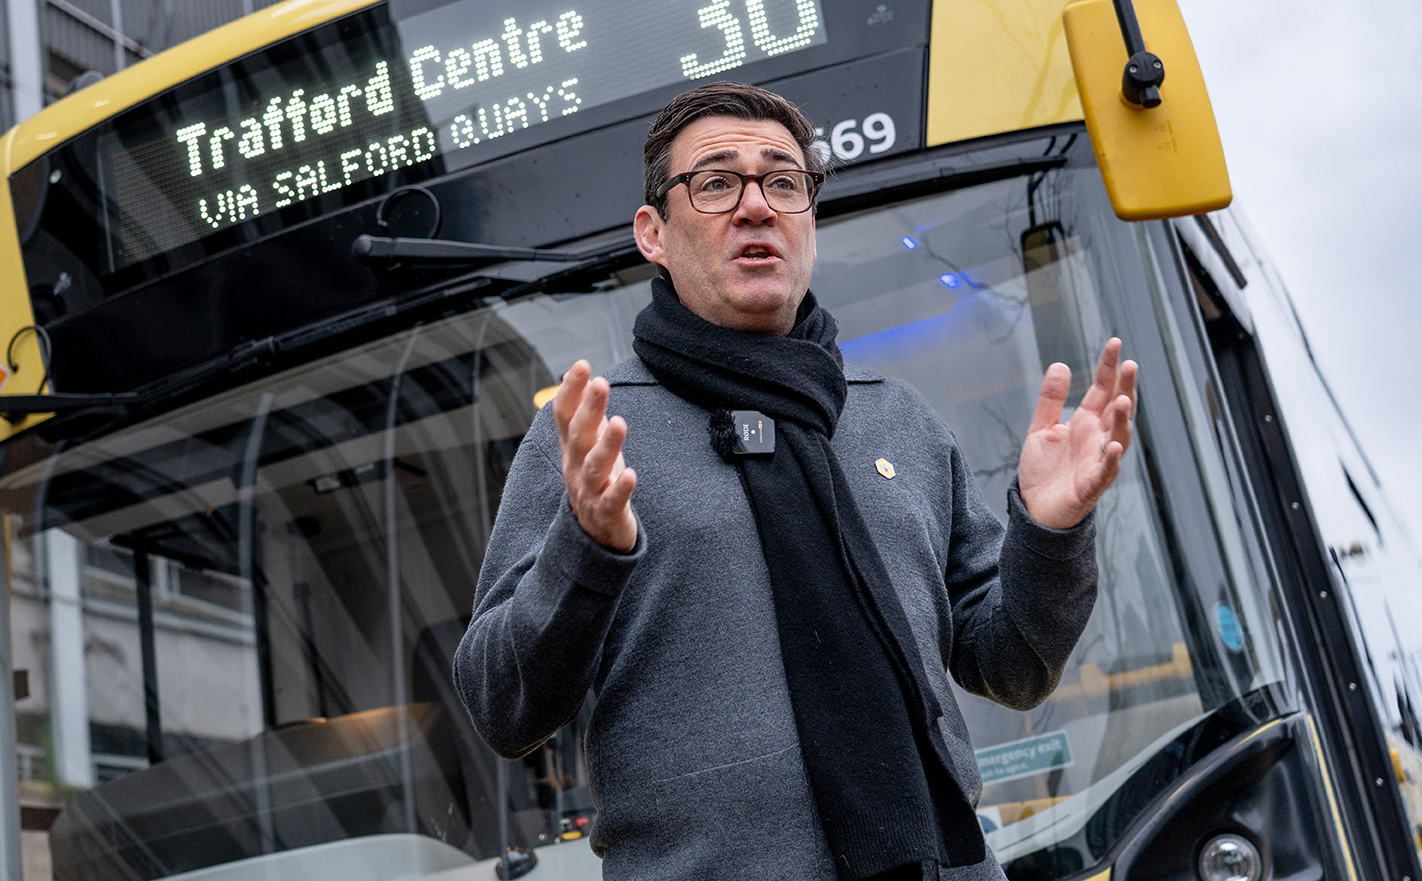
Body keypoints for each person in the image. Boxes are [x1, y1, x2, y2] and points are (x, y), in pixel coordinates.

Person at [453, 82, 1137, 881]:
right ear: (653, 233)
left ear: (809, 218)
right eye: (714, 182)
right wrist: (588, 550)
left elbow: (1011, 665)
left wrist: (1049, 534)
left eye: (783, 180)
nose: (756, 205)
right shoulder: (594, 438)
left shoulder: (898, 423)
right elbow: (503, 705)